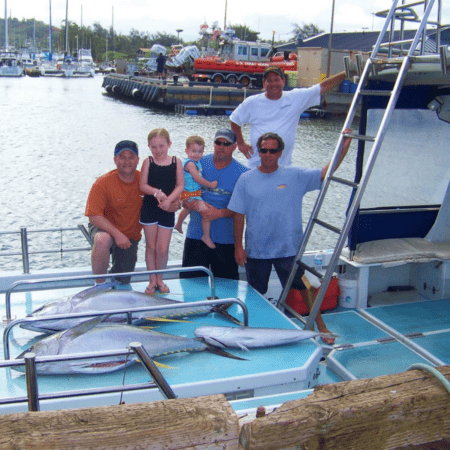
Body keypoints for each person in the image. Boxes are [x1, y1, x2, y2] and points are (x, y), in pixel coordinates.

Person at [227, 130, 352, 344]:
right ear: (259, 151)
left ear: (280, 152)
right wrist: (239, 247)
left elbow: (324, 172)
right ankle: (253, 327)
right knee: (256, 292)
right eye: (263, 150)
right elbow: (238, 215)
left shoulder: (295, 175)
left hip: (289, 250)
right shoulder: (246, 179)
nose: (267, 154)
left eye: (272, 150)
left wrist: (343, 149)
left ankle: (320, 325)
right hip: (257, 249)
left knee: (304, 287)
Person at [229, 65, 348, 168]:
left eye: (276, 79)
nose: (273, 83)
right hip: (255, 167)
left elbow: (323, 87)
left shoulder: (295, 97)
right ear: (264, 83)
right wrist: (240, 142)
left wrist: (346, 73)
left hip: (283, 168)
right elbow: (234, 119)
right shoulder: (252, 102)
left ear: (283, 81)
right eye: (269, 80)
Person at [180, 128, 248, 280]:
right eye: (218, 142)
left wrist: (219, 213)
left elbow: (243, 210)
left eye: (226, 143)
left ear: (235, 146)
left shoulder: (243, 173)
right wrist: (185, 202)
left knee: (227, 289)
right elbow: (180, 189)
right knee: (190, 286)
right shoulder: (197, 163)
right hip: (196, 237)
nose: (221, 146)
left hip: (226, 241)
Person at [85, 140, 143, 285]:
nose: (127, 161)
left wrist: (174, 203)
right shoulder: (102, 183)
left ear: (137, 160)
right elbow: (94, 215)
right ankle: (99, 286)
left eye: (131, 157)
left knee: (122, 281)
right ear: (115, 160)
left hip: (130, 235)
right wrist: (117, 234)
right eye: (122, 157)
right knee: (102, 239)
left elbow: (165, 198)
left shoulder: (144, 181)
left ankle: (114, 279)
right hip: (104, 228)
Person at [139, 128, 184, 294]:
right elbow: (142, 185)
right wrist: (156, 192)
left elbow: (180, 185)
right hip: (150, 208)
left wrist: (169, 200)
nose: (158, 150)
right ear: (149, 147)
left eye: (161, 146)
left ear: (169, 144)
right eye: (154, 147)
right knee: (151, 246)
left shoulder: (176, 162)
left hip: (167, 210)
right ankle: (152, 280)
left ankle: (160, 278)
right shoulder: (148, 162)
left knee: (163, 248)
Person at [174, 135, 218, 249]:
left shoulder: (195, 162)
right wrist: (210, 184)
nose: (197, 154)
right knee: (207, 213)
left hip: (192, 193)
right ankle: (206, 237)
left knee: (187, 209)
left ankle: (178, 224)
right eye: (193, 151)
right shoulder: (190, 164)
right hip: (190, 193)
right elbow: (197, 178)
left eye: (200, 151)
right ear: (186, 151)